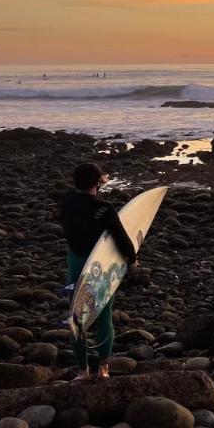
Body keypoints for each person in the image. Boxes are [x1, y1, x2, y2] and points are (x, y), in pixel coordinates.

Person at [60, 162, 138, 380]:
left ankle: (82, 371)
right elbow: (121, 237)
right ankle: (103, 369)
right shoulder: (104, 208)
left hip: (76, 263)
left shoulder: (66, 203)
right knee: (103, 317)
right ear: (97, 182)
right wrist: (132, 261)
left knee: (77, 317)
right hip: (99, 267)